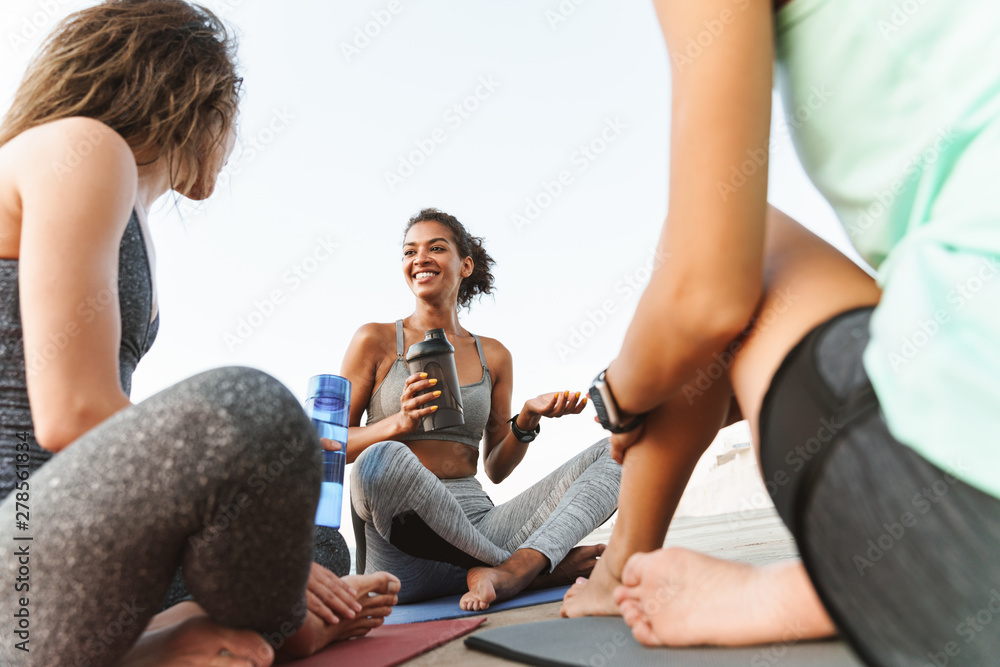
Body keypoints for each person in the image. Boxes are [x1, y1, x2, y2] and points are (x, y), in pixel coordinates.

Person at [560, 0, 1000, 663]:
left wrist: (617, 393)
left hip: (963, 534)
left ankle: (626, 566)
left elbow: (704, 298)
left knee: (734, 242)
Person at [0, 2, 397, 665]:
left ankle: (182, 626)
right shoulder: (84, 145)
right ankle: (178, 637)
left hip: (68, 554)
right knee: (256, 413)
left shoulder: (122, 200)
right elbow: (73, 412)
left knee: (315, 545)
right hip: (21, 548)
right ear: (198, 93)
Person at [342, 208, 621, 609]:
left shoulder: (494, 355)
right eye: (409, 251)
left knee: (622, 448)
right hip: (402, 548)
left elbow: (495, 467)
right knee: (380, 460)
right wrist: (398, 423)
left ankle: (515, 568)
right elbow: (329, 444)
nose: (420, 258)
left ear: (465, 264)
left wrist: (525, 421)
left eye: (436, 248)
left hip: (482, 524)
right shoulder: (376, 339)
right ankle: (538, 568)